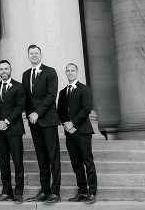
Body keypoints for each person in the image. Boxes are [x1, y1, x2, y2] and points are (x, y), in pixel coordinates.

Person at [21, 44, 61, 204]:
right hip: (34, 123)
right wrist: (29, 115)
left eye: (36, 53)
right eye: (31, 53)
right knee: (41, 158)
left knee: (53, 157)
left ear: (41, 55)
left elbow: (51, 95)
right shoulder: (25, 74)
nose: (33, 55)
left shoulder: (50, 72)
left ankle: (55, 192)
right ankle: (44, 190)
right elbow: (25, 97)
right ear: (28, 56)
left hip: (48, 120)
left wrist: (37, 113)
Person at [57, 63, 97, 204]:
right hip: (70, 133)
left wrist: (72, 123)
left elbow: (86, 109)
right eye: (67, 71)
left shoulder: (84, 89)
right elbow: (60, 111)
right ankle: (82, 192)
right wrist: (66, 124)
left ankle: (92, 192)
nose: (70, 73)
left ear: (77, 72)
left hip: (83, 131)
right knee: (76, 164)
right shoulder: (62, 92)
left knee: (88, 162)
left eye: (72, 70)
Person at [0, 59, 26, 203]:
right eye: (1, 69)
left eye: (6, 68)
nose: (3, 71)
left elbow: (20, 107)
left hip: (15, 129)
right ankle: (6, 191)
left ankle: (18, 192)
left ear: (10, 70)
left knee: (18, 161)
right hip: (1, 130)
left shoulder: (19, 86)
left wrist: (6, 121)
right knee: (3, 162)